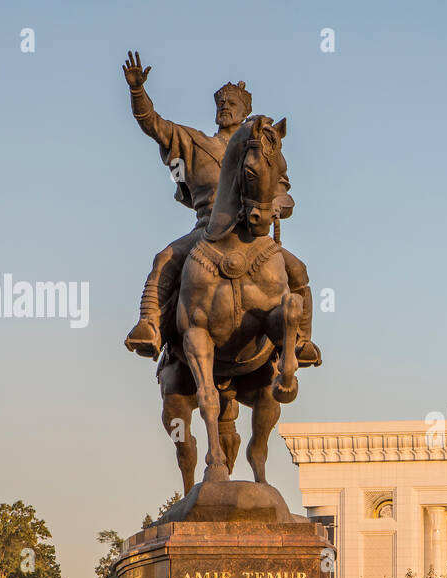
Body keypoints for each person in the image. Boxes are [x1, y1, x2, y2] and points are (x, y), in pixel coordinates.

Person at [119, 51, 319, 366]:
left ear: (245, 112)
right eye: (221, 104)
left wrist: (277, 206)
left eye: (232, 105)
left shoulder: (261, 151)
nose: (225, 108)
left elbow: (282, 192)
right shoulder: (193, 142)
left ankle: (301, 341)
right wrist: (137, 91)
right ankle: (150, 326)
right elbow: (153, 124)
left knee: (297, 270)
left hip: (254, 231)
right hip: (207, 228)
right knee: (165, 259)